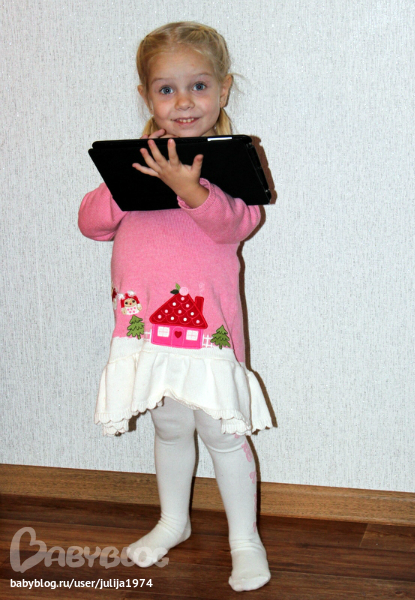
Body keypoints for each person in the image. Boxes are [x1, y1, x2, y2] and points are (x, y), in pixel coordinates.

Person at [78, 21, 273, 593]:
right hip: (146, 332)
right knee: (167, 425)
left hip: (206, 334)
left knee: (221, 431)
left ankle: (245, 539)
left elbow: (235, 224)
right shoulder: (133, 165)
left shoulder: (231, 167)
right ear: (147, 97)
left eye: (199, 86)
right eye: (167, 89)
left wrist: (189, 188)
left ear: (224, 89)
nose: (184, 101)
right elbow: (91, 224)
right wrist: (125, 180)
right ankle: (172, 521)